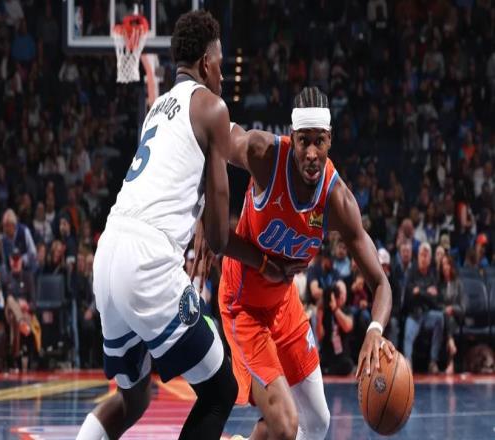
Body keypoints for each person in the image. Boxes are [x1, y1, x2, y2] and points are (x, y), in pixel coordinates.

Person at [77, 11, 241, 440]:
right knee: (221, 390)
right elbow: (219, 236)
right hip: (148, 259)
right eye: (220, 63)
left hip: (109, 251)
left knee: (133, 399)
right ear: (206, 63)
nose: (222, 73)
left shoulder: (157, 110)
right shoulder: (213, 107)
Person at [211, 87, 393, 440]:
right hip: (242, 305)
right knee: (285, 424)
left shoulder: (338, 201)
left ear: (330, 140)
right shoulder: (264, 155)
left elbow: (381, 283)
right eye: (303, 141)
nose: (311, 153)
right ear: (291, 138)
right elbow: (213, 136)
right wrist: (206, 208)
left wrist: (374, 330)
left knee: (318, 423)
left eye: (319, 142)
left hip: (284, 305)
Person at [403, 242, 444, 373]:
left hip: (427, 314)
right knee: (408, 333)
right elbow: (410, 295)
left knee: (440, 318)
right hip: (414, 314)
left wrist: (419, 292)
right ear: (418, 256)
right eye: (421, 254)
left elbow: (434, 299)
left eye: (426, 255)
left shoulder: (432, 274)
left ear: (430, 259)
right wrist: (426, 292)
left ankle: (433, 361)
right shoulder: (411, 272)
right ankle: (407, 363)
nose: (423, 258)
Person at [438, 255, 465, 374]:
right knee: (446, 318)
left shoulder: (458, 284)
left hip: (457, 317)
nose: (445, 267)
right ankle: (451, 362)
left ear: (451, 266)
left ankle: (450, 340)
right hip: (444, 317)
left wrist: (452, 309)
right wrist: (446, 309)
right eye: (443, 264)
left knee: (450, 319)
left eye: (447, 264)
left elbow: (463, 308)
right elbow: (437, 304)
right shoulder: (440, 285)